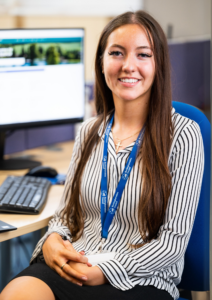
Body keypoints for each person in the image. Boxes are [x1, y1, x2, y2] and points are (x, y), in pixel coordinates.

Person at [0, 10, 204, 300]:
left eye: (143, 55)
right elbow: (65, 216)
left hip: (141, 278)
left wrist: (104, 270)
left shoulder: (183, 135)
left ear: (158, 63)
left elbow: (171, 246)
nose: (128, 66)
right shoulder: (88, 131)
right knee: (15, 293)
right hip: (78, 262)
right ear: (102, 61)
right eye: (117, 53)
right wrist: (52, 240)